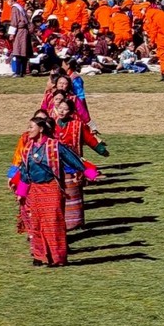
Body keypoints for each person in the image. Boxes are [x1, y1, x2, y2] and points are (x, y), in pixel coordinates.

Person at [15, 114, 85, 266]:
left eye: (31, 127)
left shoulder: (54, 145)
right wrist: (21, 193)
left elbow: (73, 160)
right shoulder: (27, 149)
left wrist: (90, 173)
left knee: (53, 222)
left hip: (52, 187)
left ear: (40, 129)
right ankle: (40, 256)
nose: (28, 130)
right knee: (36, 223)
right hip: (35, 190)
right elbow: (24, 173)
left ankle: (57, 258)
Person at [51, 94, 108, 231]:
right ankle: (57, 222)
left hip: (73, 166)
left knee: (72, 194)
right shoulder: (51, 124)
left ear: (70, 111)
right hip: (55, 165)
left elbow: (89, 138)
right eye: (60, 108)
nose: (62, 111)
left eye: (65, 109)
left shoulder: (77, 125)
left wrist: (100, 149)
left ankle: (74, 223)